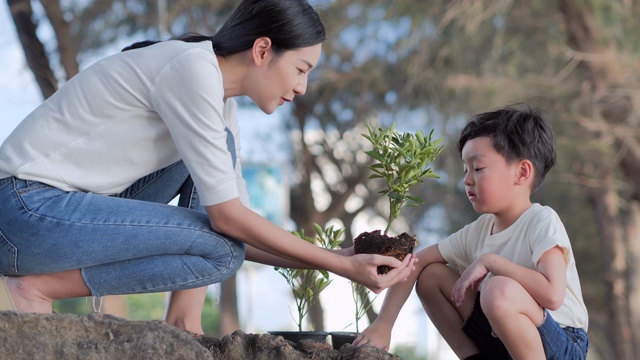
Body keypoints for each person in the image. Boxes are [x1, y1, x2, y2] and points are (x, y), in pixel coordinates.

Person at [0, 0, 417, 335]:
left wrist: (336, 256)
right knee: (220, 248)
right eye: (301, 69)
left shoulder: (219, 103)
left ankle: (184, 320)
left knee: (224, 222)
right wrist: (339, 266)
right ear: (262, 50)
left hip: (60, 211)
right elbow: (228, 222)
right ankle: (43, 284)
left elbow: (242, 225)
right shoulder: (191, 70)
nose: (301, 87)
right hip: (22, 210)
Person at [354, 105, 589, 359]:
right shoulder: (478, 231)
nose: (467, 179)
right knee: (431, 276)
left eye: (477, 168)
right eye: (465, 169)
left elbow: (553, 296)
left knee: (497, 290)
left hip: (562, 343)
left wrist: (491, 262)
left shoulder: (541, 220)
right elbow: (417, 262)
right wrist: (384, 324)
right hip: (504, 344)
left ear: (521, 172)